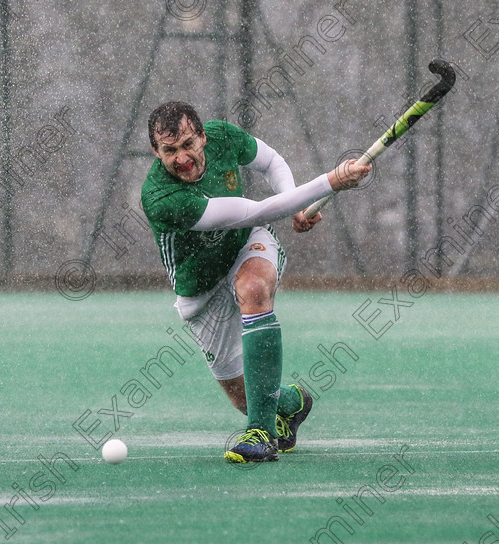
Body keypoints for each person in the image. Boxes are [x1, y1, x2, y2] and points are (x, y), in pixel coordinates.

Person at [140, 101, 369, 463]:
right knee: (244, 396)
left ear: (202, 137)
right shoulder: (161, 197)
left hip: (248, 244)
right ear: (156, 152)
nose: (182, 158)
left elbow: (270, 162)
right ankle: (292, 402)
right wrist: (332, 181)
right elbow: (254, 210)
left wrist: (291, 199)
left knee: (254, 289)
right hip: (199, 288)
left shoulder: (222, 136)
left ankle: (260, 434)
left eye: (187, 145)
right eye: (170, 151)